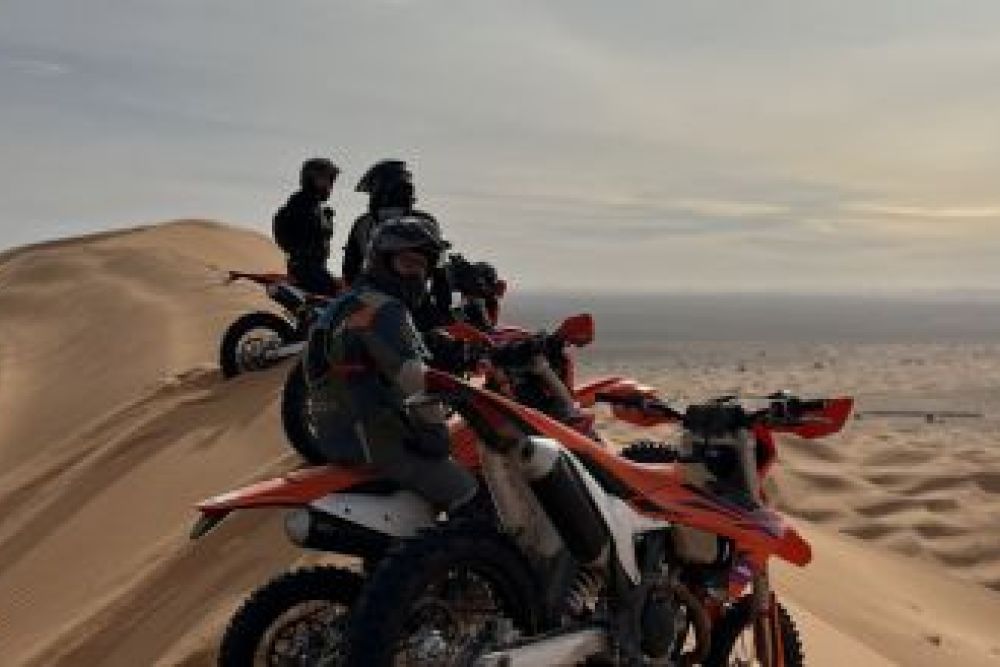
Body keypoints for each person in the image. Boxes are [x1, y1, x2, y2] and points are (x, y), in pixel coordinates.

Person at [303, 214, 477, 513]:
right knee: (472, 496)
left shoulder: (345, 304)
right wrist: (436, 436)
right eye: (407, 264)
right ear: (382, 261)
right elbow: (413, 378)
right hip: (378, 445)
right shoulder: (384, 309)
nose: (416, 276)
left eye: (422, 267)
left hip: (336, 438)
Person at [272, 157, 342, 296]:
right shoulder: (302, 205)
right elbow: (299, 233)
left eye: (331, 180)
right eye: (325, 180)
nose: (329, 185)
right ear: (311, 179)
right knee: (340, 299)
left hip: (311, 267)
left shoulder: (313, 206)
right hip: (306, 269)